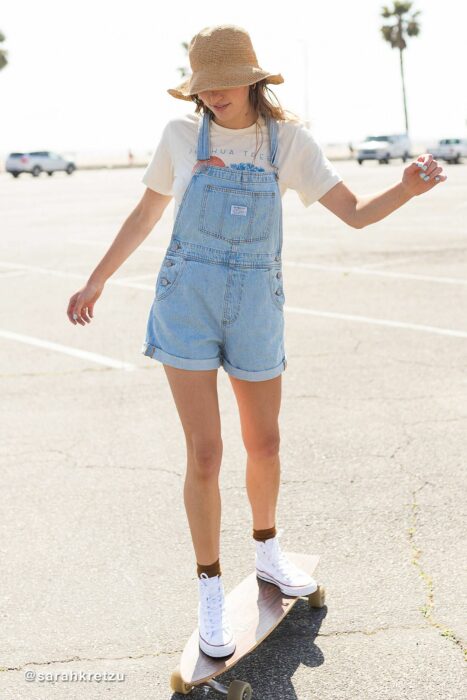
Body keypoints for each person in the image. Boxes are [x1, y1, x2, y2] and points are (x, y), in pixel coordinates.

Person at [66, 24, 447, 660]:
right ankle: (210, 589)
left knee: (264, 442)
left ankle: (267, 555)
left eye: (223, 83)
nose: (213, 96)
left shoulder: (288, 142)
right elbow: (145, 215)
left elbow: (353, 213)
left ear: (252, 79)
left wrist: (406, 189)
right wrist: (95, 281)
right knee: (206, 453)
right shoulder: (179, 137)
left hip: (256, 309)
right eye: (203, 86)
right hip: (186, 302)